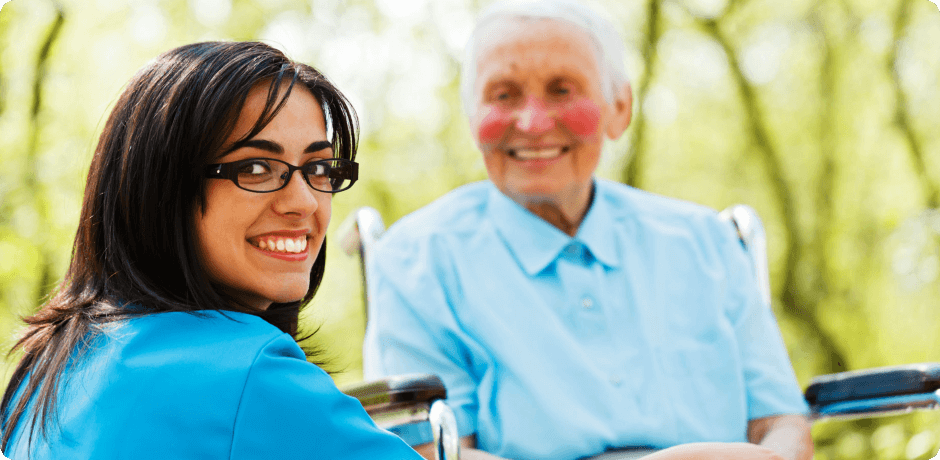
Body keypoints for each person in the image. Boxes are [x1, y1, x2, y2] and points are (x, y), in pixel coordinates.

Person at [362, 1, 813, 460]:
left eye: (562, 90)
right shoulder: (414, 263)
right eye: (503, 94)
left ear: (620, 108)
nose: (533, 122)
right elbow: (437, 454)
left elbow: (781, 424)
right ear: (473, 117)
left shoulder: (707, 243)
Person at [0, 41, 424, 460]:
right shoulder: (249, 375)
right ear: (164, 190)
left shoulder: (46, 366)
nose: (305, 202)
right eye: (255, 168)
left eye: (318, 169)